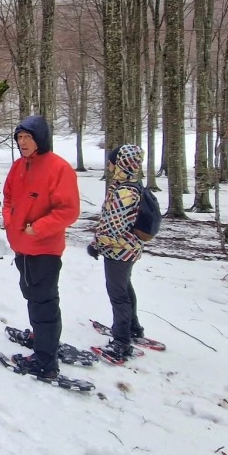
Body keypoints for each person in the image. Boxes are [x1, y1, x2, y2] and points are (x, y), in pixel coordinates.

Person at [1, 115, 81, 379]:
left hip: (45, 248)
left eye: (28, 137)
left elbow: (68, 210)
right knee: (29, 292)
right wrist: (10, 221)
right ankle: (40, 335)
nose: (23, 142)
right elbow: (9, 196)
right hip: (21, 246)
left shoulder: (59, 168)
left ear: (40, 140)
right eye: (19, 138)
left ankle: (46, 361)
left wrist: (39, 227)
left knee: (44, 301)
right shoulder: (18, 166)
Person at [87, 144, 146, 361]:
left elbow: (111, 229)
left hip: (119, 251)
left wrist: (96, 245)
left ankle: (122, 341)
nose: (109, 166)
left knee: (118, 294)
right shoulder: (134, 186)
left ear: (120, 164)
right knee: (125, 288)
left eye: (112, 162)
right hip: (130, 248)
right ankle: (134, 328)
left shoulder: (123, 192)